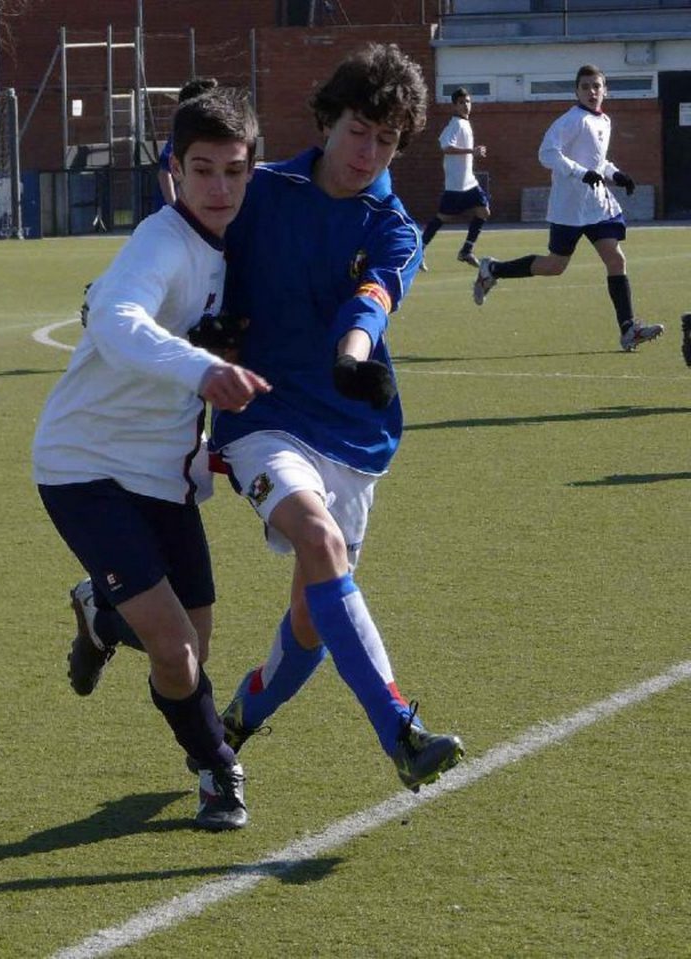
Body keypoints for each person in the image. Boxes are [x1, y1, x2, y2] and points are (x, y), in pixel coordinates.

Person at [207, 43, 464, 795]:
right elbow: (187, 198)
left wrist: (352, 357)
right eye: (358, 130)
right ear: (327, 121)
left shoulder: (394, 226)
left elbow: (372, 301)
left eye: (386, 140)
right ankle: (400, 731)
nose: (368, 152)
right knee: (318, 541)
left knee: (312, 619)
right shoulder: (263, 189)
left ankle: (231, 725)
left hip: (351, 434)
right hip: (261, 417)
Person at [32, 88, 270, 831]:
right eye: (202, 170)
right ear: (174, 169)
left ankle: (102, 618)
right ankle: (217, 768)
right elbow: (114, 316)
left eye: (234, 170)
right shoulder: (161, 243)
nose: (219, 188)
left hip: (166, 476)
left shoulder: (239, 240)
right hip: (84, 466)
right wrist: (203, 367)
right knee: (175, 647)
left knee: (192, 649)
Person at [473, 64, 664, 353]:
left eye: (596, 86)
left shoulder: (604, 121)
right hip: (569, 208)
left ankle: (628, 330)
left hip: (597, 206)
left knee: (616, 260)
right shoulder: (571, 120)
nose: (591, 91)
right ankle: (493, 269)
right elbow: (547, 153)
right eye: (585, 87)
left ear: (605, 90)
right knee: (555, 266)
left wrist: (616, 174)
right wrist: (579, 172)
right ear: (576, 91)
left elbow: (597, 161)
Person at [419, 86, 490, 269]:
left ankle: (466, 251)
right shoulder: (456, 124)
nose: (465, 105)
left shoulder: (464, 123)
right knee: (442, 218)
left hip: (469, 182)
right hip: (457, 185)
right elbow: (445, 147)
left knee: (483, 212)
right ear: (455, 106)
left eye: (467, 101)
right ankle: (418, 251)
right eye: (461, 102)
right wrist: (472, 151)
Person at [154, 77, 219, 211]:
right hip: (177, 214)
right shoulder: (183, 135)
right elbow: (164, 172)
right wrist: (174, 207)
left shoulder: (205, 134)